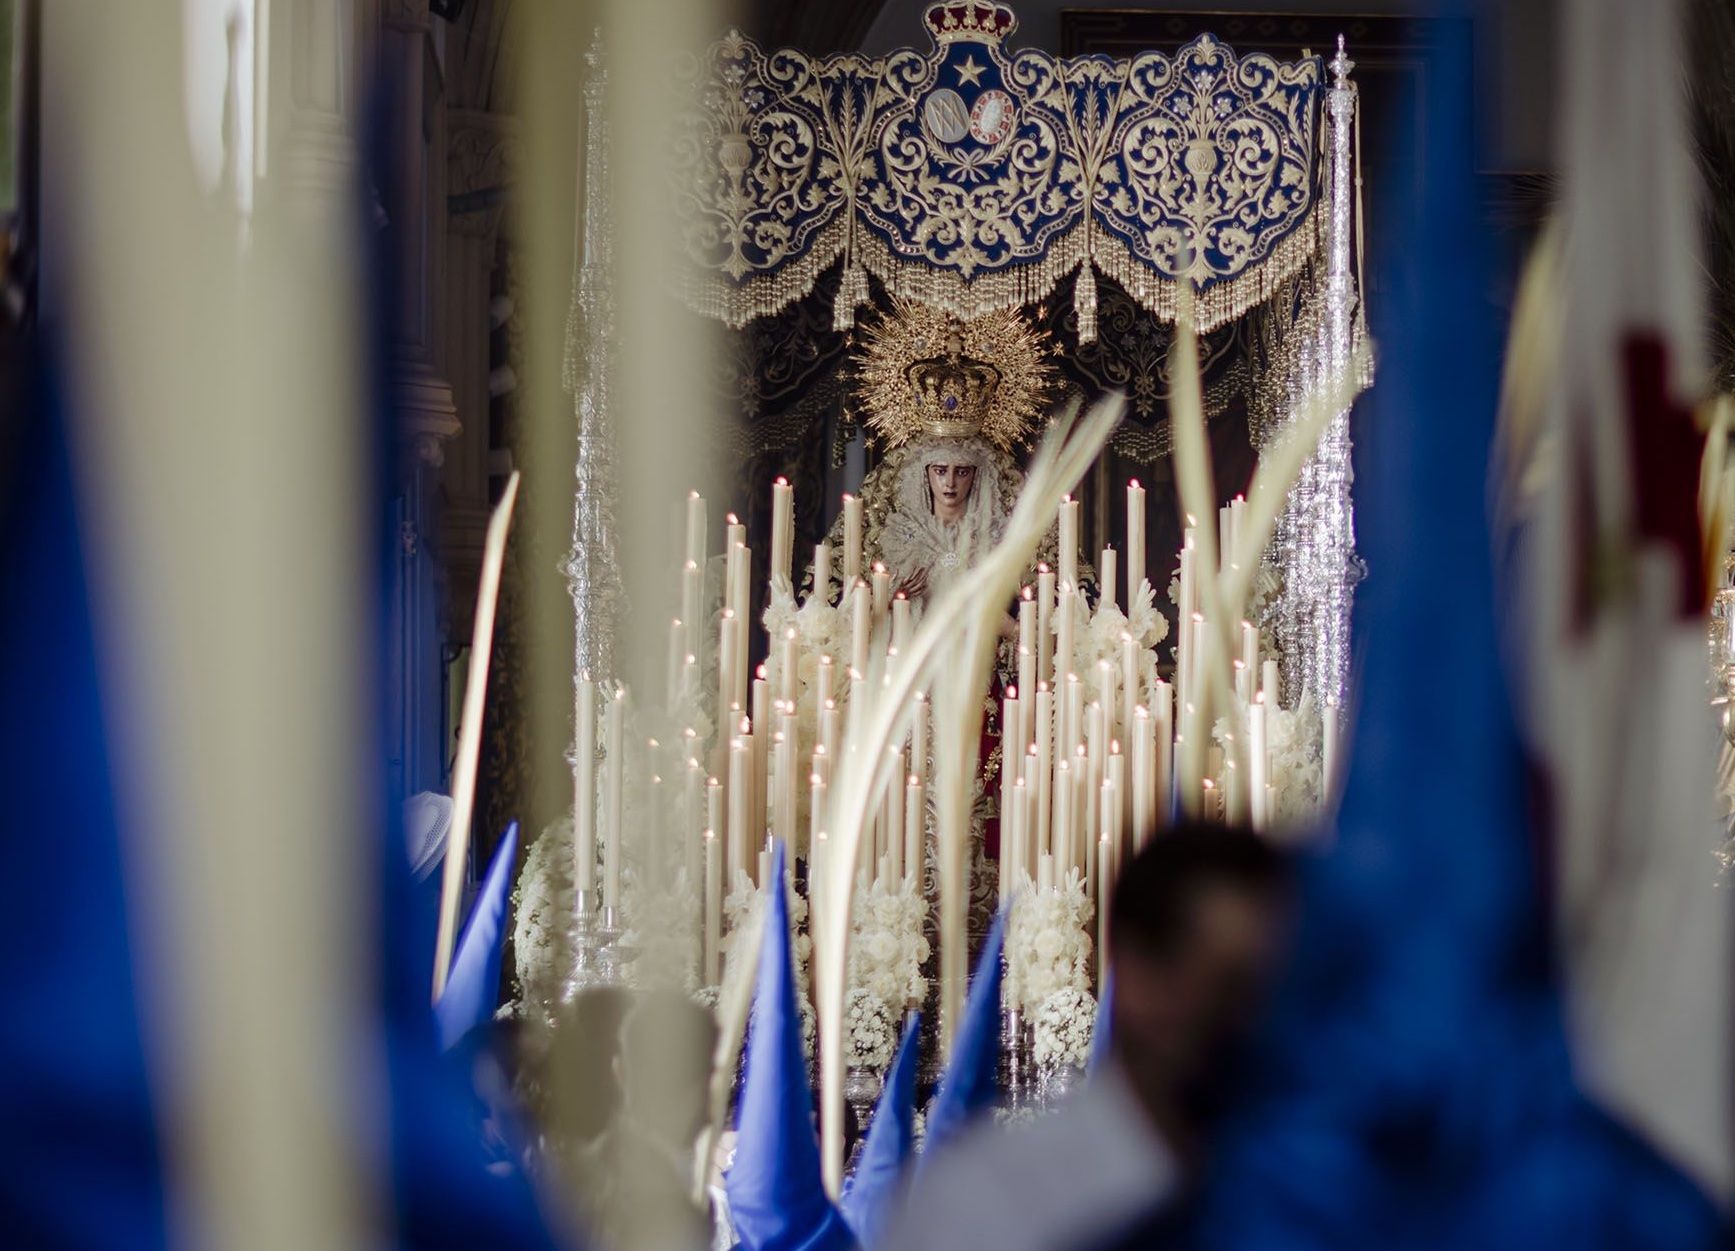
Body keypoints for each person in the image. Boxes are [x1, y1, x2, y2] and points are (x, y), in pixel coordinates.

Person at [882, 822, 1291, 1251]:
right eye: (1230, 985)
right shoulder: (984, 1199)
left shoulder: (1307, 1189)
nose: (1259, 1019)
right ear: (1138, 975)